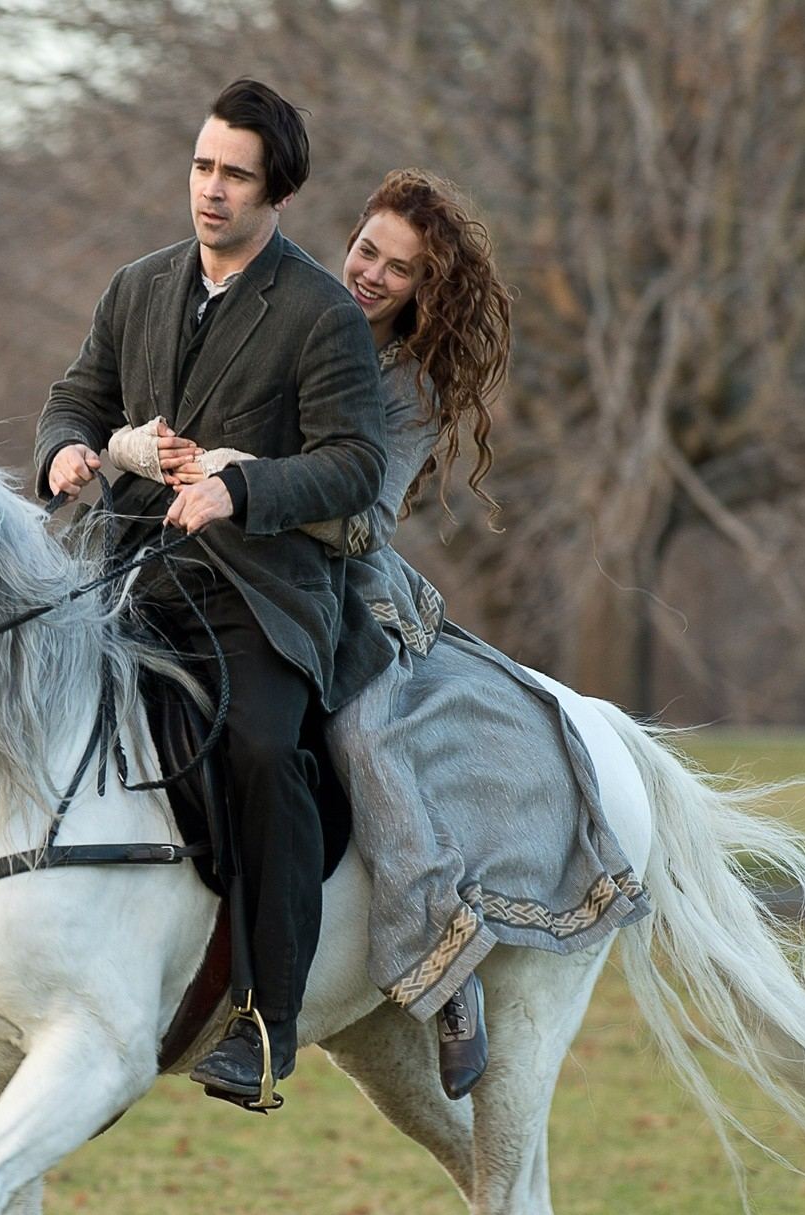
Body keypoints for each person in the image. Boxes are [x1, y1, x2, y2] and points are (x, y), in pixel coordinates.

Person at [0, 79, 391, 1107]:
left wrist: (240, 487)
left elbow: (354, 466)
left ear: (275, 190)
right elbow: (76, 397)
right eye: (202, 167)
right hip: (123, 579)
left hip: (263, 597)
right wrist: (66, 449)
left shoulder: (320, 315)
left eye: (234, 175)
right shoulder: (137, 286)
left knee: (256, 750)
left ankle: (262, 1014)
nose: (210, 190)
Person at [107, 170, 646, 1099]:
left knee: (360, 737)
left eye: (399, 271)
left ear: (423, 294)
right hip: (203, 559)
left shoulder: (411, 391)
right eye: (367, 250)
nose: (370, 275)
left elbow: (364, 518)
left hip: (342, 584)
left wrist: (248, 477)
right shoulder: (291, 308)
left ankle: (443, 958)